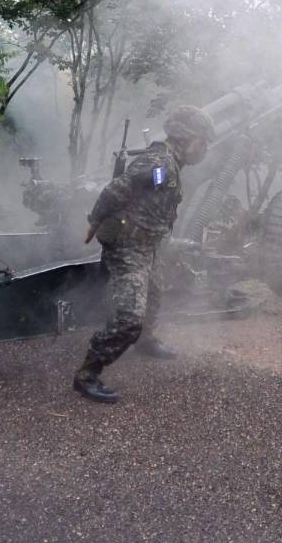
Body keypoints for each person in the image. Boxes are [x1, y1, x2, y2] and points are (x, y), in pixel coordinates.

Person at [72, 104, 215, 404]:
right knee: (130, 319)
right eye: (203, 140)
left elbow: (152, 194)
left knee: (155, 297)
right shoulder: (158, 163)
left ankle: (145, 342)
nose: (204, 148)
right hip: (129, 246)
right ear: (185, 137)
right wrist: (94, 221)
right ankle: (88, 373)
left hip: (150, 245)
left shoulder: (169, 166)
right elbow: (116, 190)